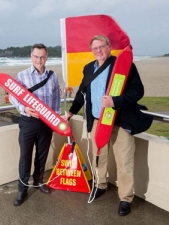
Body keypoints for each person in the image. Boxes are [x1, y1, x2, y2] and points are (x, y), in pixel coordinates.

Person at [65, 35, 153, 216]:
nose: (98, 51)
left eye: (101, 47)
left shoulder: (123, 65)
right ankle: (100, 185)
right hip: (98, 121)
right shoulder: (89, 68)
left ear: (109, 47)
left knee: (124, 162)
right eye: (95, 48)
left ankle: (125, 198)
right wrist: (72, 111)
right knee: (100, 157)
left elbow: (138, 91)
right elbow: (82, 93)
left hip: (120, 122)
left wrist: (116, 101)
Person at [9, 43, 61, 206]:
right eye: (36, 56)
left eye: (42, 56)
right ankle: (22, 189)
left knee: (41, 156)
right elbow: (12, 96)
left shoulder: (52, 76)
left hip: (46, 123)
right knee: (25, 157)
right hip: (28, 122)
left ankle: (39, 182)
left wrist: (56, 120)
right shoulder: (22, 75)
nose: (39, 60)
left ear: (46, 57)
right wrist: (23, 108)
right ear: (31, 57)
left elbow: (56, 100)